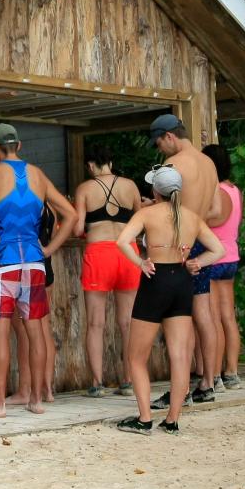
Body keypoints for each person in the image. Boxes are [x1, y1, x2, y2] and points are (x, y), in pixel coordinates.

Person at [0, 124, 80, 417]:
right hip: (34, 262)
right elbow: (72, 214)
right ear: (19, 146)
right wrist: (49, 249)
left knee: (0, 333)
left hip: (2, 262)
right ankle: (35, 399)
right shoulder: (38, 175)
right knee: (35, 331)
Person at [113, 165, 224, 434]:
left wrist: (140, 262)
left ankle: (144, 418)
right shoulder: (191, 216)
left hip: (155, 279)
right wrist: (197, 262)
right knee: (180, 356)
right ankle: (172, 420)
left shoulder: (147, 213)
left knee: (137, 357)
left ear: (155, 190)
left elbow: (121, 241)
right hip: (181, 280)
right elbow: (218, 250)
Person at [147, 114, 222, 410]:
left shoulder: (173, 165)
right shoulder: (208, 163)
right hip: (201, 239)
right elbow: (216, 209)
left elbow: (164, 207)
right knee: (204, 313)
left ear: (169, 137)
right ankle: (208, 382)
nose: (159, 150)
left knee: (179, 318)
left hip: (178, 245)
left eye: (159, 143)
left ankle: (181, 390)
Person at [72, 154, 142, 397]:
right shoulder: (130, 185)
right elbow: (140, 220)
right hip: (128, 252)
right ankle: (129, 380)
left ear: (90, 165)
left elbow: (78, 227)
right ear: (111, 163)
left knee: (95, 323)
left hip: (99, 253)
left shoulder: (85, 188)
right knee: (127, 322)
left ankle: (97, 383)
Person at [199, 143, 245, 391]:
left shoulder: (215, 191)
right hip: (231, 256)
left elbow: (212, 218)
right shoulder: (235, 190)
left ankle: (214, 374)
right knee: (228, 317)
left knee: (214, 318)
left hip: (213, 257)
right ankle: (232, 371)